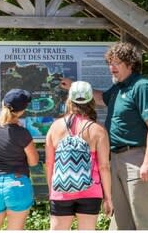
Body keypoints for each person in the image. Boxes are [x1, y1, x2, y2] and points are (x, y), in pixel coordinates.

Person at [60, 42, 148, 230]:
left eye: (116, 63)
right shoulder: (119, 88)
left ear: (130, 64)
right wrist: (74, 86)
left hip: (136, 159)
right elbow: (99, 98)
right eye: (110, 63)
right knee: (120, 216)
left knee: (141, 216)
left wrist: (147, 162)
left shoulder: (142, 86)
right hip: (114, 158)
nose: (111, 68)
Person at [45, 81, 113, 230]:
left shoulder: (55, 127)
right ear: (91, 101)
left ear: (69, 99)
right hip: (90, 190)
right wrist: (108, 197)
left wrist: (52, 190)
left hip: (61, 190)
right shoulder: (98, 130)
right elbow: (104, 167)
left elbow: (49, 163)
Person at [0, 88, 39, 230]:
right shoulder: (22, 133)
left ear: (2, 103)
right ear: (22, 111)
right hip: (17, 185)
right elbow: (33, 161)